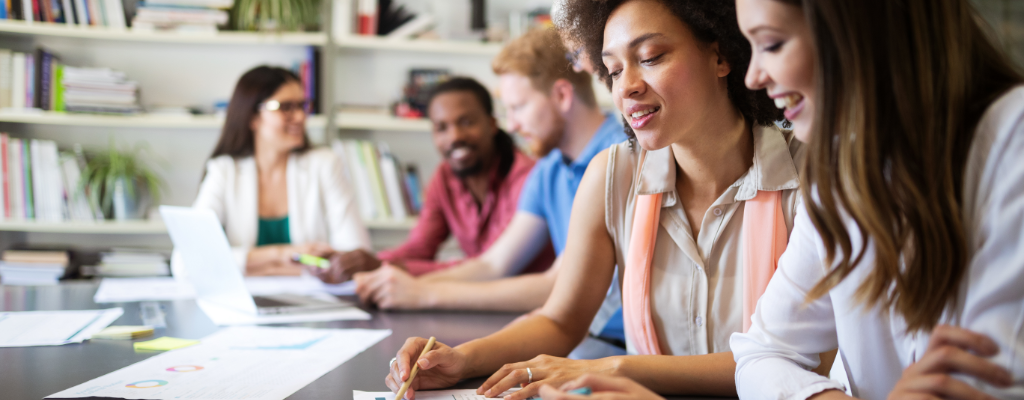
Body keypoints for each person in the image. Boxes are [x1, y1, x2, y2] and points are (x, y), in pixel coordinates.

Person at [384, 1, 825, 399]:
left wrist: (611, 367)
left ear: (721, 55)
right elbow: (560, 320)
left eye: (650, 58)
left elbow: (797, 362)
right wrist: (464, 358)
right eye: (613, 70)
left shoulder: (814, 178)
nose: (627, 87)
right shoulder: (611, 175)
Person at [725, 0, 1023, 399]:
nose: (753, 77)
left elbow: (989, 383)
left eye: (773, 44)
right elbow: (761, 352)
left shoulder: (1011, 141)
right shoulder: (839, 174)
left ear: (858, 29)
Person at [353, 27, 629, 359]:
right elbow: (494, 263)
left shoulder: (621, 157)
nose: (511, 125)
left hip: (621, 349)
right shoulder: (550, 167)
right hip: (583, 340)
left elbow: (554, 285)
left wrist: (423, 295)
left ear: (561, 96)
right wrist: (412, 288)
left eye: (518, 107)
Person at [312, 77, 556, 284]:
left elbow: (489, 266)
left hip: (524, 303)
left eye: (467, 122)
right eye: (441, 128)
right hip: (478, 302)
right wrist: (357, 260)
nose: (455, 137)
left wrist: (381, 266)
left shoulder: (528, 177)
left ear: (492, 124)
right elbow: (420, 247)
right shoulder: (444, 177)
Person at [183, 66, 370, 277]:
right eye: (286, 107)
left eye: (302, 105)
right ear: (252, 117)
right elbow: (186, 260)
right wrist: (283, 254)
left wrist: (246, 262)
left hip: (312, 301)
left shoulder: (325, 165)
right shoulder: (224, 171)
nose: (300, 117)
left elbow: (355, 256)